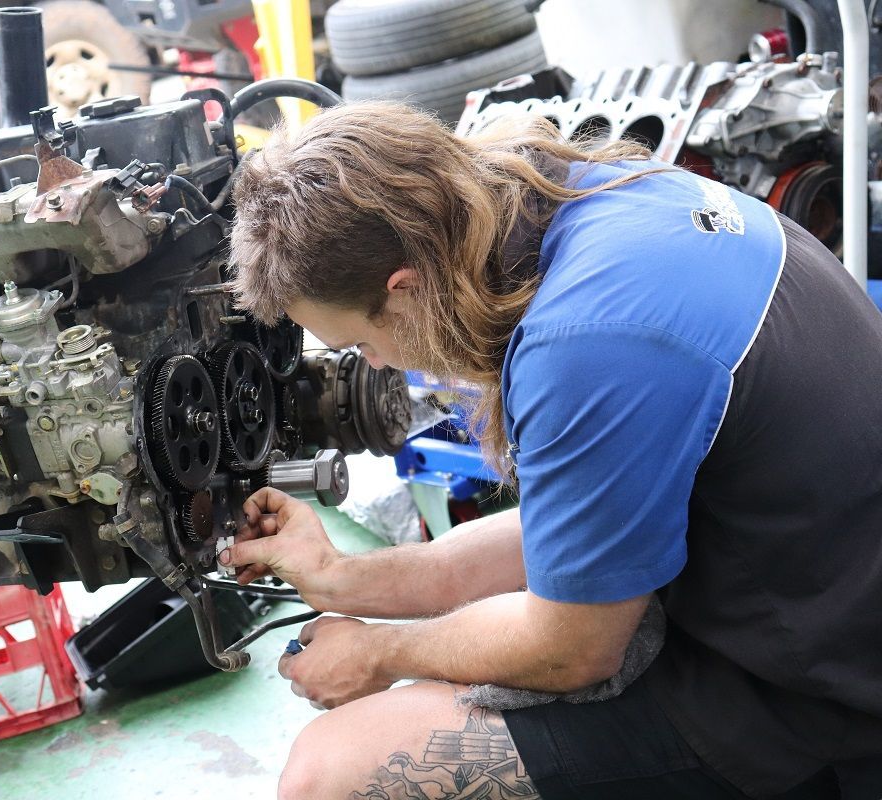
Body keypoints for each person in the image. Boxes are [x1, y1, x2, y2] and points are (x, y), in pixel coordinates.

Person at [222, 101, 882, 800]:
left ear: (404, 287)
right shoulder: (589, 194)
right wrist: (337, 578)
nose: (378, 365)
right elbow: (577, 538)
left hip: (820, 697)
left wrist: (380, 654)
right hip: (808, 595)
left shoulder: (586, 341)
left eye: (360, 343)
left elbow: (572, 646)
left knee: (328, 773)